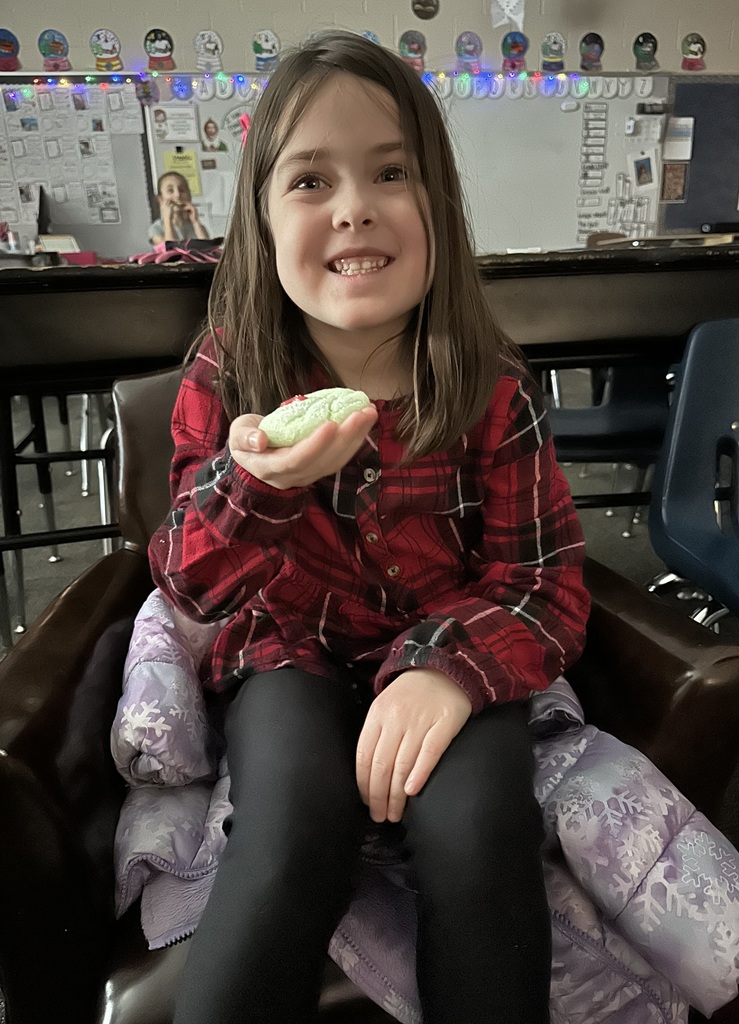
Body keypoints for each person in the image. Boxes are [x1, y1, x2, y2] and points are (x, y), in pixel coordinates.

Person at [148, 30, 589, 1024]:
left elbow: (545, 581)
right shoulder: (231, 375)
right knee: (295, 824)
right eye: (311, 180)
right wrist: (254, 485)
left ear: (438, 203)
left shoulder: (491, 390)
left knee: (480, 830)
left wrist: (445, 668)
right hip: (288, 652)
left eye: (391, 170)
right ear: (261, 223)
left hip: (450, 641)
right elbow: (186, 584)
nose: (355, 205)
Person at [148, 171, 210, 246]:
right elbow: (171, 251)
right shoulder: (156, 228)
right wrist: (168, 220)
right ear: (160, 199)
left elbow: (207, 249)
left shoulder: (196, 226)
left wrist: (195, 221)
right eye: (170, 190)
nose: (178, 195)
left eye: (182, 190)